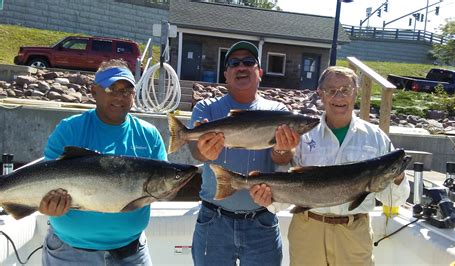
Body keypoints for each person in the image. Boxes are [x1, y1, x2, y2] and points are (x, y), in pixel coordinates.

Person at [38, 59, 167, 265]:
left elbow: (162, 186)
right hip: (70, 253)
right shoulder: (69, 130)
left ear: (134, 95)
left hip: (132, 253)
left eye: (126, 91)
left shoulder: (149, 135)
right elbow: (44, 184)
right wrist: (45, 204)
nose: (119, 96)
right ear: (94, 91)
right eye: (111, 89)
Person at [285, 66, 410, 266]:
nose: (339, 96)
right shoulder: (303, 135)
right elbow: (286, 182)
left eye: (345, 90)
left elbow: (392, 200)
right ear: (320, 94)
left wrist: (398, 176)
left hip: (354, 234)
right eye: (331, 90)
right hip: (307, 230)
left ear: (356, 93)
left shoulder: (376, 137)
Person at [189, 40, 300, 266]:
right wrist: (201, 149)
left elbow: (282, 159)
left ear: (259, 72)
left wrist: (283, 148)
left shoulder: (278, 113)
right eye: (234, 63)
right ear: (226, 74)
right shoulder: (206, 108)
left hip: (262, 222)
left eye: (249, 62)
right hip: (213, 221)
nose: (242, 67)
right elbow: (195, 154)